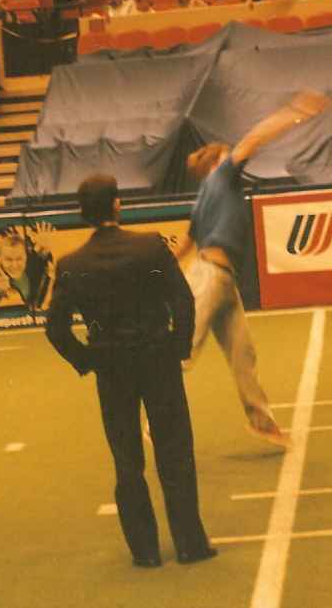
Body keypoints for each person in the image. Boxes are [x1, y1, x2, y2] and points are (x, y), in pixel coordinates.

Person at [45, 174, 216, 568]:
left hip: (111, 366)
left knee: (126, 459)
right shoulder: (150, 247)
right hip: (157, 357)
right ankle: (190, 543)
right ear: (117, 206)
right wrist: (178, 347)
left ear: (84, 214)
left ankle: (145, 551)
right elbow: (183, 301)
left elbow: (55, 327)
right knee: (174, 452)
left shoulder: (73, 264)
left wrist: (87, 360)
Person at [177, 90, 332, 447]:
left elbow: (185, 245)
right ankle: (159, 421)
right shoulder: (222, 177)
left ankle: (262, 422)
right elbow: (254, 139)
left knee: (242, 355)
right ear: (219, 159)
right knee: (183, 353)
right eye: (229, 154)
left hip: (221, 281)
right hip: (209, 277)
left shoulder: (204, 196)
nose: (237, 156)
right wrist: (294, 113)